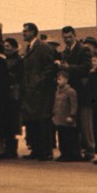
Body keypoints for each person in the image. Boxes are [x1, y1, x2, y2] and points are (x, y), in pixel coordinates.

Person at [21, 22, 56, 161]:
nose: (23, 33)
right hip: (31, 91)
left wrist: (39, 81)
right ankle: (36, 150)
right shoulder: (29, 47)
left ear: (33, 32)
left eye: (26, 31)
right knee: (33, 122)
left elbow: (49, 66)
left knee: (42, 121)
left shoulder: (42, 47)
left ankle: (45, 151)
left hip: (41, 92)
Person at [60, 25, 91, 160]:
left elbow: (87, 67)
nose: (67, 40)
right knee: (70, 122)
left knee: (81, 122)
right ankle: (72, 151)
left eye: (69, 37)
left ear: (75, 36)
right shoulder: (65, 52)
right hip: (68, 90)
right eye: (65, 37)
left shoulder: (83, 49)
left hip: (80, 90)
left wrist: (69, 68)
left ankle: (85, 151)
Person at [3, 37, 23, 158]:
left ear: (14, 48)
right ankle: (8, 147)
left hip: (13, 92)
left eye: (8, 46)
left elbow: (18, 76)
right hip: (7, 92)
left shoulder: (18, 60)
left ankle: (12, 148)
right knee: (8, 120)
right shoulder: (6, 59)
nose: (5, 48)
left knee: (13, 120)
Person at [53, 70, 80, 161]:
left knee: (69, 137)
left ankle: (70, 154)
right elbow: (55, 104)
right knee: (61, 137)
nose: (58, 81)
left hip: (67, 118)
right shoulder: (57, 91)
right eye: (58, 79)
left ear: (66, 80)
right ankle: (63, 153)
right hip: (59, 118)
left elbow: (74, 104)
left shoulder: (70, 91)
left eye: (60, 79)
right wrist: (54, 113)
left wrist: (72, 115)